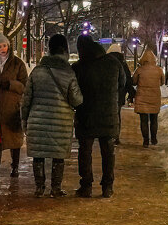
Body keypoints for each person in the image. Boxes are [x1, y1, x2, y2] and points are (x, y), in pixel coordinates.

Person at [20, 33, 82, 197]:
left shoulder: (37, 71)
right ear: (65, 51)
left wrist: (24, 119)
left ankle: (39, 188)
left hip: (37, 119)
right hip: (61, 121)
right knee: (58, 156)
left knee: (38, 156)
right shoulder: (68, 73)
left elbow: (26, 99)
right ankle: (55, 188)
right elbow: (76, 100)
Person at [74, 35, 123, 198]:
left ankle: (86, 185)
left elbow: (73, 91)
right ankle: (107, 187)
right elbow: (122, 84)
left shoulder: (79, 67)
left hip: (86, 115)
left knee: (85, 151)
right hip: (109, 114)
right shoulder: (113, 63)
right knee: (108, 151)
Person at [0, 32, 28, 178]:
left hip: (12, 108)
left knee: (14, 139)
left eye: (4, 45)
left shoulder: (18, 64)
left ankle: (15, 167)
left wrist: (10, 84)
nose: (2, 49)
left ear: (8, 46)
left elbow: (24, 86)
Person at [132, 49, 164, 146]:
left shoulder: (139, 70)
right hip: (154, 97)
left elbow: (134, 81)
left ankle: (146, 140)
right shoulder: (159, 70)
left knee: (144, 120)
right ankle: (154, 139)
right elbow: (162, 82)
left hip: (142, 98)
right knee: (154, 119)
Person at [105, 42, 135, 145]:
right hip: (119, 94)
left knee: (106, 113)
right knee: (116, 114)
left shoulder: (104, 61)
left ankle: (106, 135)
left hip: (106, 93)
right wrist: (130, 92)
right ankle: (116, 136)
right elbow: (127, 80)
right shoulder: (123, 63)